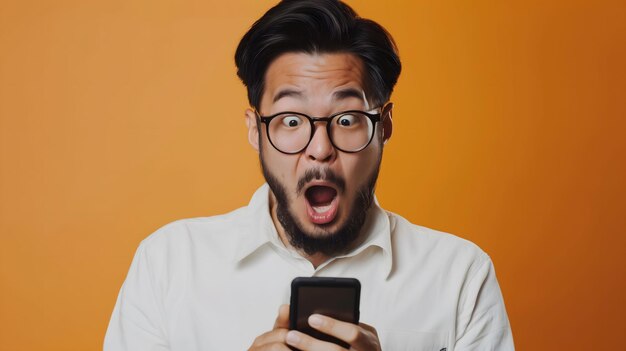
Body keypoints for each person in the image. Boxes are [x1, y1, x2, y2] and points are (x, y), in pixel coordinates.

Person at [104, 0, 514, 350]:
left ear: (384, 125)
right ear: (255, 129)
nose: (320, 149)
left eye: (348, 118)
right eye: (291, 120)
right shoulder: (169, 265)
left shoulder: (460, 276)